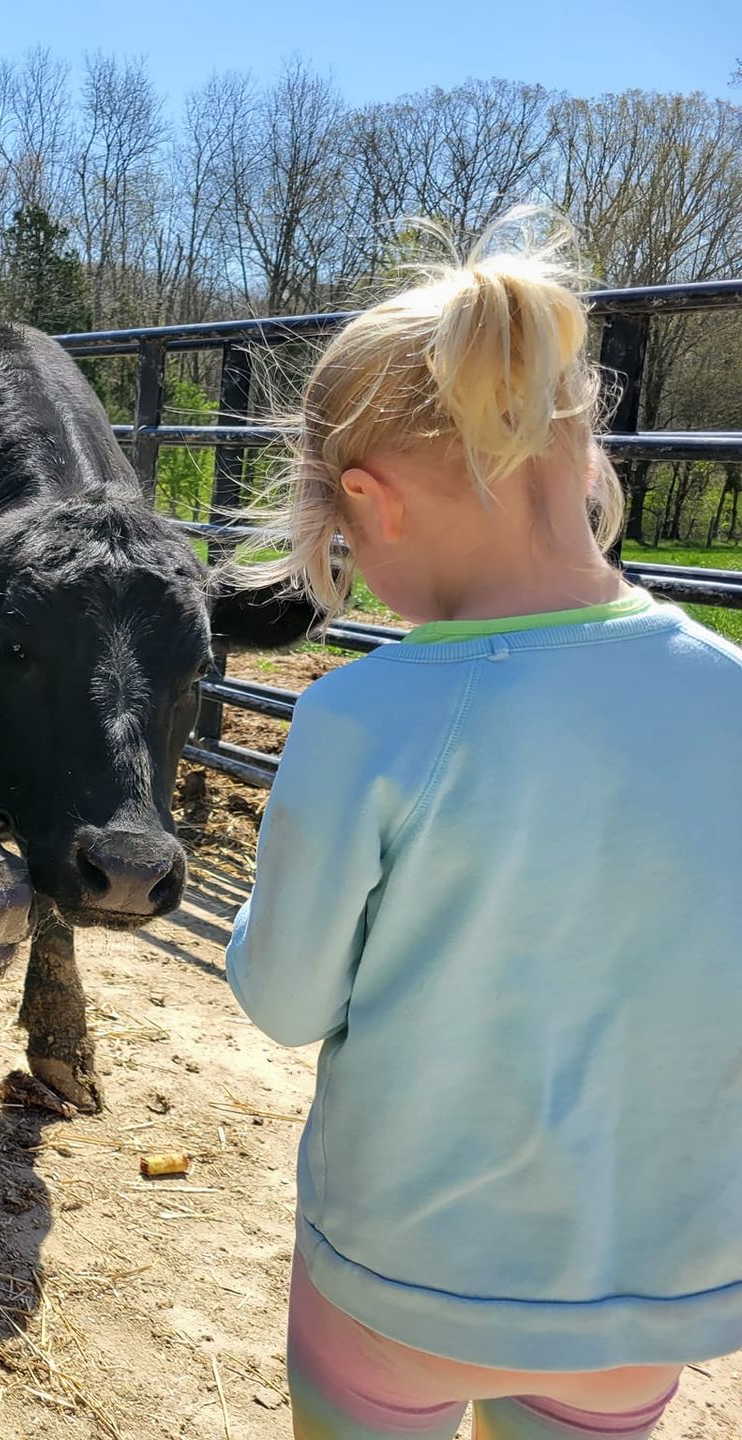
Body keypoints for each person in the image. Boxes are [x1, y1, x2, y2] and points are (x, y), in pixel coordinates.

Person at [224, 213, 742, 1439]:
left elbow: (286, 1000)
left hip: (403, 1286)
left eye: (340, 546)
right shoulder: (728, 692)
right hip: (647, 1292)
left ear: (370, 501)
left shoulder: (367, 716)